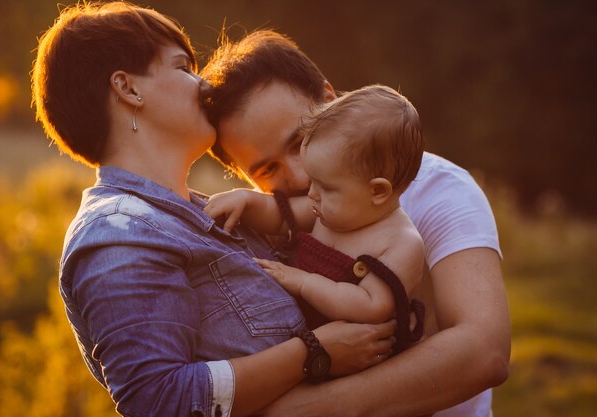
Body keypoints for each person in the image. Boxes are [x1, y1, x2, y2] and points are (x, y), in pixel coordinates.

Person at [31, 4, 396, 417]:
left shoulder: (211, 214)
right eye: (183, 67)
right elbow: (158, 400)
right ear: (128, 89)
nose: (203, 84)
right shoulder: (118, 233)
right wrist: (313, 352)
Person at [201, 30, 511, 416]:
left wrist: (302, 409)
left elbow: (486, 351)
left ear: (331, 102)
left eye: (300, 141)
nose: (300, 176)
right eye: (267, 169)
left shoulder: (439, 189)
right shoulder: (267, 218)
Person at [204, 85, 426, 352]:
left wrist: (304, 282)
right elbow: (279, 217)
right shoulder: (327, 211)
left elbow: (371, 305)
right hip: (300, 338)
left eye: (326, 188)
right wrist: (247, 201)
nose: (311, 194)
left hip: (358, 358)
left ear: (377, 191)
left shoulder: (401, 242)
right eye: (314, 182)